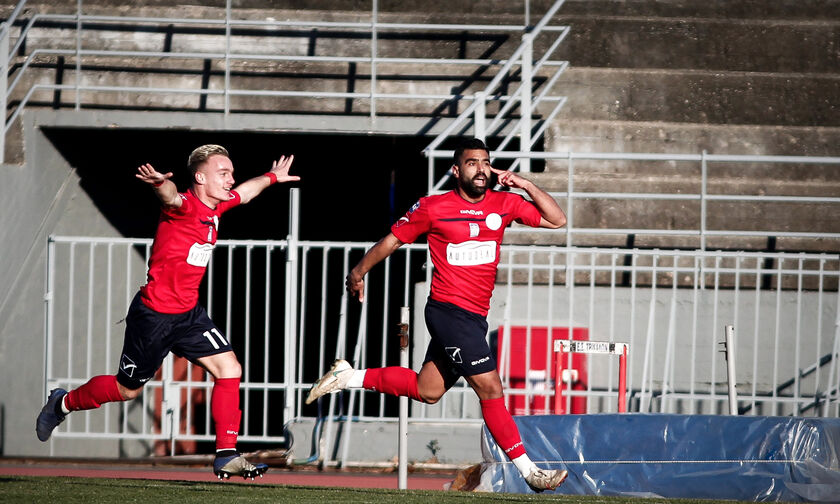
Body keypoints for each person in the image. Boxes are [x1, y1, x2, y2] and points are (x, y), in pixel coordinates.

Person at [306, 138, 569, 491]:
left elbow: (557, 220)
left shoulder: (505, 203)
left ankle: (348, 377)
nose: (481, 168)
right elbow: (393, 240)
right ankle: (530, 471)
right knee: (491, 389)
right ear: (456, 170)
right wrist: (358, 272)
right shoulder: (434, 207)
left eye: (486, 162)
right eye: (472, 162)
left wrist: (524, 184)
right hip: (448, 312)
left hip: (474, 317)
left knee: (427, 390)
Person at [36, 144, 299, 480]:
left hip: (189, 315)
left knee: (230, 368)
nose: (231, 179)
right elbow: (170, 198)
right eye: (224, 173)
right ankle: (62, 402)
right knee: (126, 390)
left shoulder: (216, 207)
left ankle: (226, 454)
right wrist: (161, 183)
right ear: (200, 178)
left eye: (232, 173)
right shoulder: (185, 206)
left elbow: (245, 194)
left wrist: (272, 177)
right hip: (155, 316)